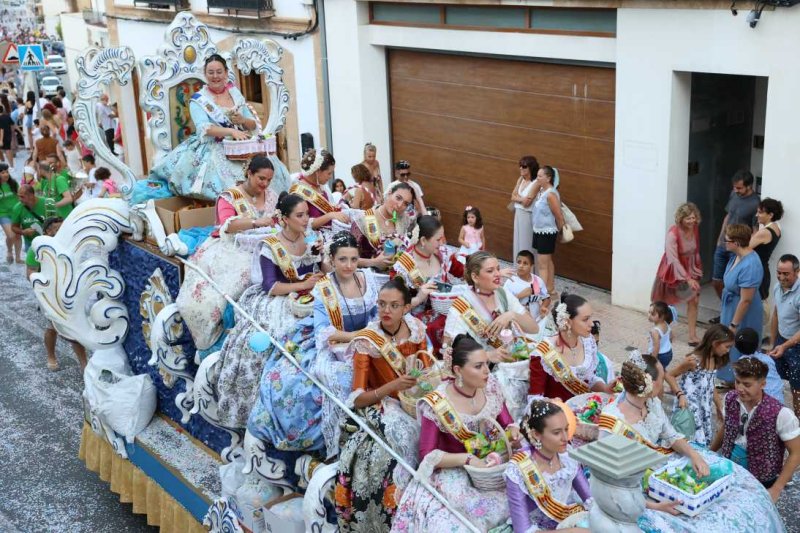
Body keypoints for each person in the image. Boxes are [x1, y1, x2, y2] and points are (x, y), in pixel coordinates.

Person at [603, 355, 784, 533]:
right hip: (635, 494)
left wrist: (695, 456)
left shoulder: (652, 402)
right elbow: (610, 489)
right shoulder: (612, 423)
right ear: (650, 384)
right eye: (662, 377)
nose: (666, 380)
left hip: (663, 471)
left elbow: (671, 435)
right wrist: (657, 507)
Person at [248, 231, 383, 458]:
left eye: (353, 259)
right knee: (328, 381)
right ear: (331, 259)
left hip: (368, 340)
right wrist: (360, 335)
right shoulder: (324, 288)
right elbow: (324, 333)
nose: (349, 265)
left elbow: (376, 314)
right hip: (334, 345)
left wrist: (374, 332)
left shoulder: (367, 279)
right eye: (342, 260)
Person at [214, 192, 324, 429]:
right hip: (277, 299)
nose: (306, 219)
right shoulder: (271, 245)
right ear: (284, 218)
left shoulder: (312, 238)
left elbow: (320, 269)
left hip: (308, 295)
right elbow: (270, 286)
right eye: (300, 215)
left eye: (307, 214)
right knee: (276, 336)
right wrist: (302, 285)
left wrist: (321, 256)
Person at [391, 334, 522, 533]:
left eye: (487, 364)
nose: (487, 371)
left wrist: (513, 433)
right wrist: (467, 459)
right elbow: (427, 454)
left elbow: (507, 422)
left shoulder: (491, 387)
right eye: (478, 367)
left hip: (492, 465)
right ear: (458, 370)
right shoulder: (436, 403)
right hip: (454, 471)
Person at [335, 278, 435, 530]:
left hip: (415, 400)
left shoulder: (416, 329)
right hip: (383, 406)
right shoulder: (367, 341)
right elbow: (357, 399)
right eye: (381, 304)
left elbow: (427, 367)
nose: (386, 311)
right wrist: (393, 387)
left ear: (405, 308)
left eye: (393, 305)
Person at [146, 54, 288, 200]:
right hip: (213, 146)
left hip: (242, 147)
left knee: (269, 169)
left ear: (226, 73)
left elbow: (252, 123)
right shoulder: (198, 100)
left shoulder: (234, 93)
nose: (215, 76)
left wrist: (242, 120)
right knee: (230, 185)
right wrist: (231, 131)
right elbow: (204, 128)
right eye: (211, 72)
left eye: (219, 72)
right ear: (205, 74)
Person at [176, 156, 279, 351]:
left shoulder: (272, 195)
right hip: (232, 246)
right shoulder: (230, 197)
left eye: (269, 180)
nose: (265, 184)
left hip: (265, 245)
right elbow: (227, 226)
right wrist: (255, 222)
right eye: (261, 179)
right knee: (236, 282)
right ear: (249, 174)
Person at [444, 251, 539, 418]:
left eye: (498, 269)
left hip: (512, 361)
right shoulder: (461, 307)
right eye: (490, 271)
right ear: (475, 276)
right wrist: (488, 355)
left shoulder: (503, 294)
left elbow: (533, 328)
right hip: (483, 370)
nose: (497, 275)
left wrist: (511, 315)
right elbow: (450, 351)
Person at [711, 357, 800, 502]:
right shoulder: (730, 398)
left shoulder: (781, 414)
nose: (740, 388)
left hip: (762, 481)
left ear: (763, 384)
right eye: (737, 382)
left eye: (747, 384)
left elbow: (796, 452)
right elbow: (726, 427)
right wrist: (711, 452)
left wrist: (777, 488)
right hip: (729, 471)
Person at [505, 400, 591, 533]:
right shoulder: (518, 469)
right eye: (557, 432)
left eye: (566, 429)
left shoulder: (567, 456)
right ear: (536, 434)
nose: (565, 437)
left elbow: (590, 498)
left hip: (568, 519)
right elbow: (523, 530)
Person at [392, 215, 464, 354]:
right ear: (423, 240)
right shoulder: (404, 266)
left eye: (442, 237)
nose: (442, 243)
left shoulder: (442, 254)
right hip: (417, 317)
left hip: (446, 309)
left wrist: (484, 270)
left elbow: (462, 271)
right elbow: (394, 305)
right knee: (436, 327)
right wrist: (419, 298)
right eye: (438, 239)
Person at [529, 293, 614, 402]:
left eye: (590, 318)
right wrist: (554, 403)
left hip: (585, 411)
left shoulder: (588, 343)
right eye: (585, 319)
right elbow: (534, 399)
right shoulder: (543, 353)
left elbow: (590, 379)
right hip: (557, 414)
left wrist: (605, 388)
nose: (592, 324)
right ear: (568, 322)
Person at [668, 324, 734, 446]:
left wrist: (719, 406)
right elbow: (669, 375)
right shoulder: (693, 361)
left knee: (700, 443)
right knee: (691, 441)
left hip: (704, 408)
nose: (728, 350)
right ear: (715, 343)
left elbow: (709, 384)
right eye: (727, 346)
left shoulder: (715, 360)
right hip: (689, 407)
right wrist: (679, 394)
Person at [39, 217, 89, 372]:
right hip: (49, 294)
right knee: (52, 327)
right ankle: (51, 355)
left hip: (69, 292)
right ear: (48, 231)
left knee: (72, 326)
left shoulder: (71, 245)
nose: (63, 231)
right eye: (58, 228)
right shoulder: (41, 246)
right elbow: (30, 272)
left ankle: (84, 364)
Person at [711, 170, 760, 324]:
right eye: (734, 187)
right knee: (717, 281)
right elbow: (728, 216)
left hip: (737, 248)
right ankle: (726, 308)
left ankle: (734, 314)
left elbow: (755, 229)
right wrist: (720, 238)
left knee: (732, 284)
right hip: (724, 245)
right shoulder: (734, 195)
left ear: (748, 186)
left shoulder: (755, 203)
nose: (735, 191)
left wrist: (745, 250)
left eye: (739, 188)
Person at [651, 202, 703, 345]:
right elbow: (672, 259)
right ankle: (663, 331)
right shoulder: (673, 234)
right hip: (673, 271)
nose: (692, 221)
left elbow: (696, 250)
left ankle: (692, 336)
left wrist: (696, 269)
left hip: (690, 268)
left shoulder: (695, 228)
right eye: (688, 219)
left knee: (694, 300)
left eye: (693, 218)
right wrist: (687, 278)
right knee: (665, 304)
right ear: (681, 219)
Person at [718, 224, 764, 384]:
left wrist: (733, 324)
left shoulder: (751, 264)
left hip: (743, 312)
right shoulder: (736, 256)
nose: (725, 242)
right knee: (727, 344)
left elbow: (746, 300)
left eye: (727, 240)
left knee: (738, 343)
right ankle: (730, 380)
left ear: (736, 243)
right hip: (731, 306)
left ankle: (740, 380)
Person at [350, 181, 415, 269]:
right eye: (398, 198)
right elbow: (348, 259)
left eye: (406, 204)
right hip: (368, 276)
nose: (400, 205)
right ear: (389, 193)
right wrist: (374, 262)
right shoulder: (362, 220)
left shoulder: (405, 220)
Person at [289, 148, 349, 231]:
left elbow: (332, 208)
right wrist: (330, 215)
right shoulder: (299, 191)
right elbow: (303, 224)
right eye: (329, 173)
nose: (330, 176)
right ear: (317, 171)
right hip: (313, 239)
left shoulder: (322, 186)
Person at [769, 254, 800, 417]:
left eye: (786, 274)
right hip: (781, 340)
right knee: (773, 379)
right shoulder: (777, 287)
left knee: (797, 389)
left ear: (797, 272)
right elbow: (776, 315)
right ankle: (775, 417)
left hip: (797, 346)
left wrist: (784, 346)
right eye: (778, 272)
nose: (781, 277)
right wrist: (773, 343)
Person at [750, 198, 783, 340]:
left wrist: (754, 231)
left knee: (756, 305)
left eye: (760, 212)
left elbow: (746, 247)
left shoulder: (764, 232)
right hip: (764, 269)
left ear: (770, 214)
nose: (757, 215)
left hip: (758, 270)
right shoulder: (776, 228)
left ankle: (756, 337)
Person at [531, 166, 564, 297]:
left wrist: (560, 232)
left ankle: (541, 293)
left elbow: (558, 215)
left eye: (540, 176)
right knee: (547, 261)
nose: (537, 179)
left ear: (548, 178)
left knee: (542, 264)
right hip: (539, 230)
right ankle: (550, 288)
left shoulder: (551, 194)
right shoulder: (541, 192)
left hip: (547, 232)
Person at [735, 328, 785, 403]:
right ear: (758, 344)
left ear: (736, 348)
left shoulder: (741, 364)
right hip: (778, 401)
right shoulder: (768, 359)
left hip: (762, 404)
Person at [504, 250, 550, 327]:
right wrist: (520, 295)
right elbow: (504, 304)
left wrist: (543, 306)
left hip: (536, 319)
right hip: (518, 322)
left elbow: (547, 297)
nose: (521, 265)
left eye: (525, 263)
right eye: (519, 262)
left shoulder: (537, 281)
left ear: (532, 266)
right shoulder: (510, 281)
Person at [10, 184, 45, 278]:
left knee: (46, 269)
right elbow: (14, 227)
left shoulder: (46, 203)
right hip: (31, 244)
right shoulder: (17, 208)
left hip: (48, 242)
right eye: (18, 196)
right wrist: (23, 232)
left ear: (31, 195)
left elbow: (57, 220)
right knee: (32, 274)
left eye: (22, 196)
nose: (19, 199)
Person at [510, 155, 539, 259]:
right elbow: (512, 196)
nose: (521, 168)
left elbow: (527, 203)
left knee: (526, 243)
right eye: (520, 166)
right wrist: (522, 199)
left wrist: (519, 199)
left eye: (524, 166)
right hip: (518, 214)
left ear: (531, 168)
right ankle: (519, 269)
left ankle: (529, 271)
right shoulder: (520, 179)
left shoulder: (536, 183)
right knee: (518, 241)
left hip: (528, 216)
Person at [0, 163, 20, 263]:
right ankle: (9, 251)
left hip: (16, 213)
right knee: (11, 235)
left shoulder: (13, 183)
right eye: (3, 172)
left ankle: (18, 257)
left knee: (17, 235)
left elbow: (20, 196)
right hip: (2, 214)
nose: (6, 174)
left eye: (7, 172)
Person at [647, 301, 674, 370]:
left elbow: (656, 348)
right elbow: (671, 337)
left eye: (652, 314)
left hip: (660, 355)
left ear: (662, 316)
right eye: (649, 312)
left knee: (657, 373)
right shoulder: (666, 324)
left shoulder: (655, 331)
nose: (649, 315)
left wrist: (652, 361)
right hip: (669, 353)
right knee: (662, 370)